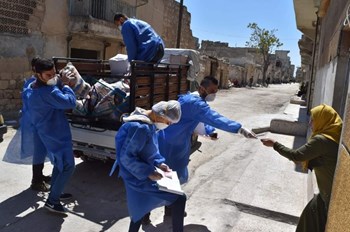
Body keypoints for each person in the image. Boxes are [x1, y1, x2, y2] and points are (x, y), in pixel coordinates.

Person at [155, 76, 256, 219]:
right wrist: (239, 128)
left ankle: (165, 210)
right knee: (169, 179)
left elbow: (199, 119)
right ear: (202, 88)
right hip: (173, 145)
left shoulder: (189, 99)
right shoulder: (196, 104)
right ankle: (167, 210)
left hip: (169, 141)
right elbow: (214, 118)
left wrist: (209, 131)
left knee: (165, 178)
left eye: (216, 90)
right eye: (212, 91)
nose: (214, 94)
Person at [261, 104, 342, 232]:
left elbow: (297, 156)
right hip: (327, 194)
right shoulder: (335, 136)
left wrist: (275, 144)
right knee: (308, 217)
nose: (310, 124)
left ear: (322, 119)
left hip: (329, 199)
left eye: (313, 119)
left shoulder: (321, 140)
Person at [109, 100, 186, 232]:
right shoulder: (140, 127)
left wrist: (160, 163)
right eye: (168, 122)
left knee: (139, 208)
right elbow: (127, 157)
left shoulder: (148, 124)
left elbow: (149, 151)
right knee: (179, 198)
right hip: (137, 177)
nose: (168, 125)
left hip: (138, 174)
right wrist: (149, 172)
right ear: (160, 115)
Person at [22, 58, 76, 214]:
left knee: (60, 164)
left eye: (54, 74)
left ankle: (55, 192)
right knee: (68, 166)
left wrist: (57, 83)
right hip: (56, 134)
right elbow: (70, 102)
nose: (52, 77)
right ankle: (52, 201)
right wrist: (65, 85)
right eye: (48, 75)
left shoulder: (31, 88)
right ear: (38, 74)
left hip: (47, 132)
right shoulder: (48, 92)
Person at [21, 56, 51, 191]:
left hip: (37, 122)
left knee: (41, 151)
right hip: (37, 122)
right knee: (39, 152)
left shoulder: (33, 82)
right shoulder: (32, 83)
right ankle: (36, 181)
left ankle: (39, 176)